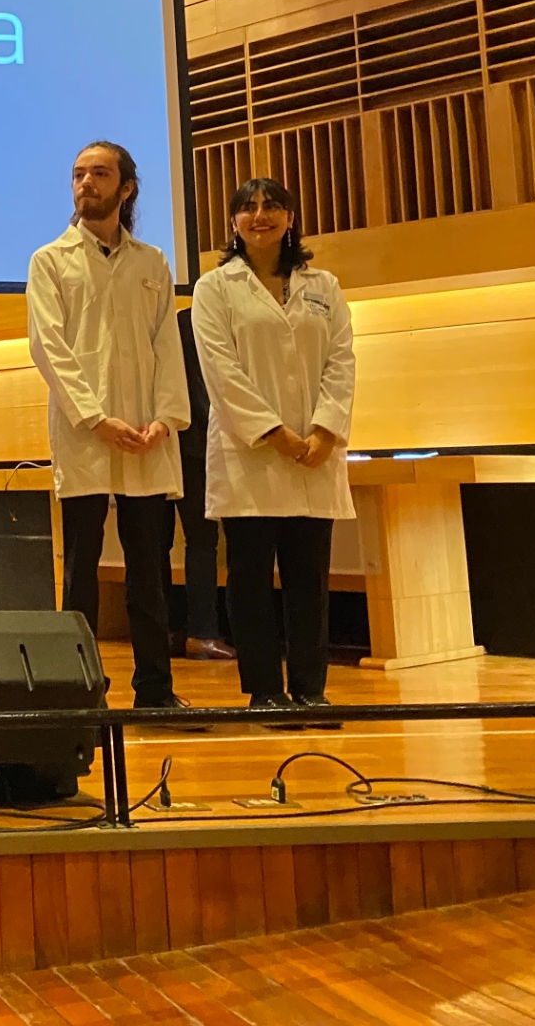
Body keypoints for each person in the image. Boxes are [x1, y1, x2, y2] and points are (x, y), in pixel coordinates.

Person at [27, 141, 196, 716]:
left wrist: (166, 419)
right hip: (86, 434)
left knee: (149, 572)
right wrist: (96, 419)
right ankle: (78, 694)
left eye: (99, 173)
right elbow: (48, 347)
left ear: (126, 188)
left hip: (147, 434)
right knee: (81, 571)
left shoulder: (152, 262)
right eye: (78, 173)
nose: (86, 183)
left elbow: (166, 343)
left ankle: (155, 690)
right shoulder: (50, 260)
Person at [190, 177, 356, 722]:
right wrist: (274, 433)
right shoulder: (215, 288)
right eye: (248, 208)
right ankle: (263, 689)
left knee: (309, 580)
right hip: (251, 456)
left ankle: (311, 688)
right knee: (251, 580)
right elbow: (221, 371)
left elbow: (341, 361)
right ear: (233, 222)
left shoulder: (324, 286)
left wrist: (325, 431)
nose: (260, 215)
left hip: (314, 455)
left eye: (271, 206)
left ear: (290, 218)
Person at [170, 307, 236, 661]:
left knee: (181, 541)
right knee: (208, 540)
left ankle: (184, 631)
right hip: (206, 444)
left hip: (173, 443)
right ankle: (205, 632)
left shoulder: (176, 321)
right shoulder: (215, 318)